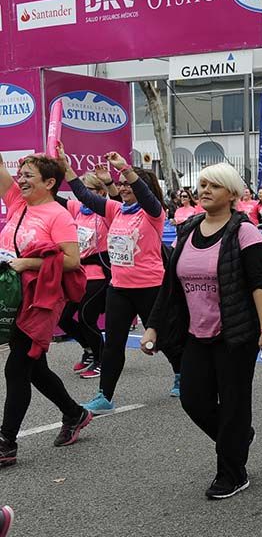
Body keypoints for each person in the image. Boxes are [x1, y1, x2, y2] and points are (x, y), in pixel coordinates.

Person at [142, 163, 262, 499]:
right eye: (203, 184)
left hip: (236, 333)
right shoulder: (189, 229)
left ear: (232, 194)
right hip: (196, 333)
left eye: (214, 186)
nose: (205, 190)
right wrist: (153, 327)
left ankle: (232, 473)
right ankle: (237, 438)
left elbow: (259, 284)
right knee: (193, 400)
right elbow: (170, 286)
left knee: (233, 405)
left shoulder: (245, 232)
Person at [61, 148, 185, 412]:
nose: (123, 187)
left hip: (151, 287)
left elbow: (146, 197)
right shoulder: (115, 210)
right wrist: (65, 167)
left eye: (128, 184)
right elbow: (84, 194)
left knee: (164, 338)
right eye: (121, 184)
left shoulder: (154, 213)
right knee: (113, 345)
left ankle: (180, 374)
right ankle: (104, 396)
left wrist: (125, 169)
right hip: (118, 288)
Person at [0, 151, 93, 468]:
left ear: (50, 182)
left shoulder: (58, 215)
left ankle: (6, 443)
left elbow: (72, 260)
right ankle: (74, 413)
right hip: (13, 296)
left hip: (41, 299)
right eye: (21, 175)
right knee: (34, 367)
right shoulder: (17, 201)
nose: (21, 180)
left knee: (17, 367)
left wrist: (27, 263)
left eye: (29, 176)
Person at [60, 169, 112, 380]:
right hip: (77, 273)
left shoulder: (107, 210)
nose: (83, 195)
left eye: (88, 190)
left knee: (86, 318)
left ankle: (102, 360)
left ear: (100, 192)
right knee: (63, 318)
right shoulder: (77, 208)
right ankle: (89, 350)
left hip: (98, 274)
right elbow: (53, 198)